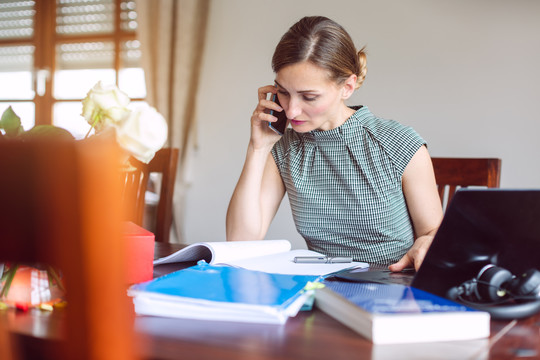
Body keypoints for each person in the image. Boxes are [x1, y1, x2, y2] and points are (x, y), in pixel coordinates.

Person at [226, 16, 443, 271]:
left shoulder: (399, 143)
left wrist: (428, 240)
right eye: (283, 92)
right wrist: (258, 147)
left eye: (309, 96)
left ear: (347, 87)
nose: (292, 110)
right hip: (323, 288)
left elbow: (433, 233)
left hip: (393, 287)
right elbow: (241, 241)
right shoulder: (285, 148)